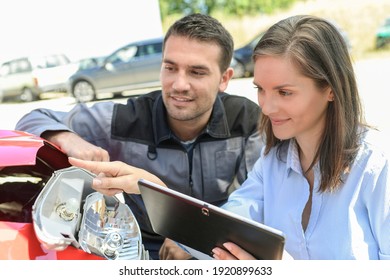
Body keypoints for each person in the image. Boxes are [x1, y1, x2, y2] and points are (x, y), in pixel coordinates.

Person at [67, 14, 390, 260]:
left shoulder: (378, 167)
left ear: (331, 88)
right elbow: (222, 227)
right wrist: (152, 189)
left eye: (285, 92)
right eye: (260, 89)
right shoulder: (274, 162)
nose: (267, 106)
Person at [15, 13, 262, 260]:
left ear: (224, 79)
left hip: (222, 248)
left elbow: (258, 201)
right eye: (170, 68)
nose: (179, 84)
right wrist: (68, 138)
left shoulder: (247, 120)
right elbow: (34, 118)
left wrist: (194, 238)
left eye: (197, 72)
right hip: (142, 251)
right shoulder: (127, 119)